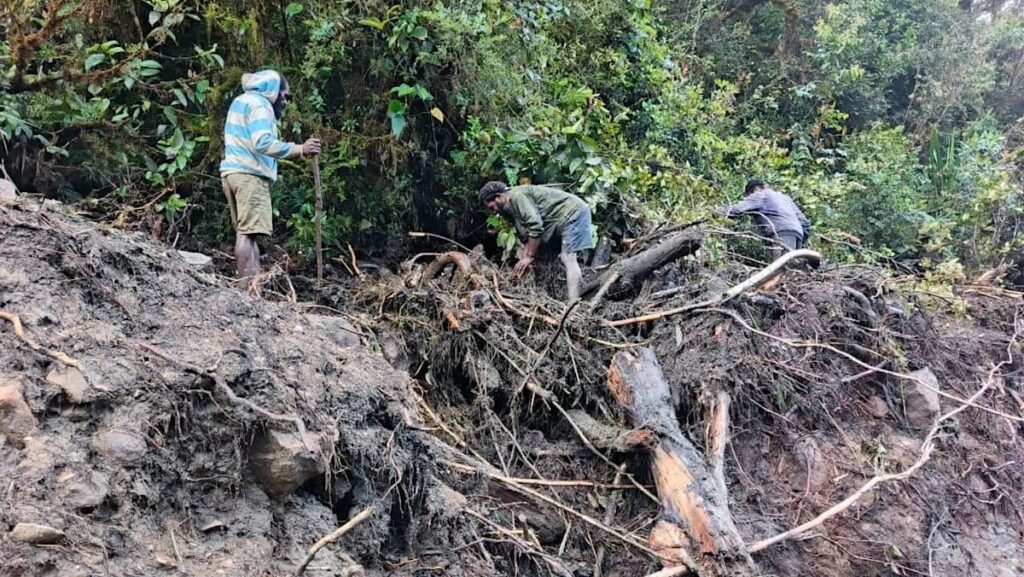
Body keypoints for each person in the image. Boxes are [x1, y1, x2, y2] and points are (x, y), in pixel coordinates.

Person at [220, 69, 321, 279]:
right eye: (286, 96)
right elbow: (262, 142)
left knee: (247, 233)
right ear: (273, 91)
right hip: (249, 176)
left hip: (232, 173)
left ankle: (252, 288)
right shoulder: (260, 105)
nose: (286, 102)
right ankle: (247, 289)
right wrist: (300, 149)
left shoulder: (241, 101)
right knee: (247, 235)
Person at [480, 181, 594, 300]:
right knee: (543, 258)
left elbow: (535, 226)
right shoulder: (507, 209)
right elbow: (525, 236)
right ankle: (554, 297)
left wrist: (528, 257)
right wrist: (523, 262)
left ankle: (574, 303)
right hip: (558, 220)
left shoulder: (517, 196)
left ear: (498, 197)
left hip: (573, 213)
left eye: (491, 207)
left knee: (568, 257)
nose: (493, 211)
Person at [718, 178, 811, 256]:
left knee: (783, 269)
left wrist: (713, 211)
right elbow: (804, 222)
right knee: (794, 270)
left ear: (756, 188)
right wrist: (801, 240)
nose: (749, 197)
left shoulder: (760, 195)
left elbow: (736, 210)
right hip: (798, 234)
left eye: (749, 194)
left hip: (781, 233)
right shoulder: (785, 198)